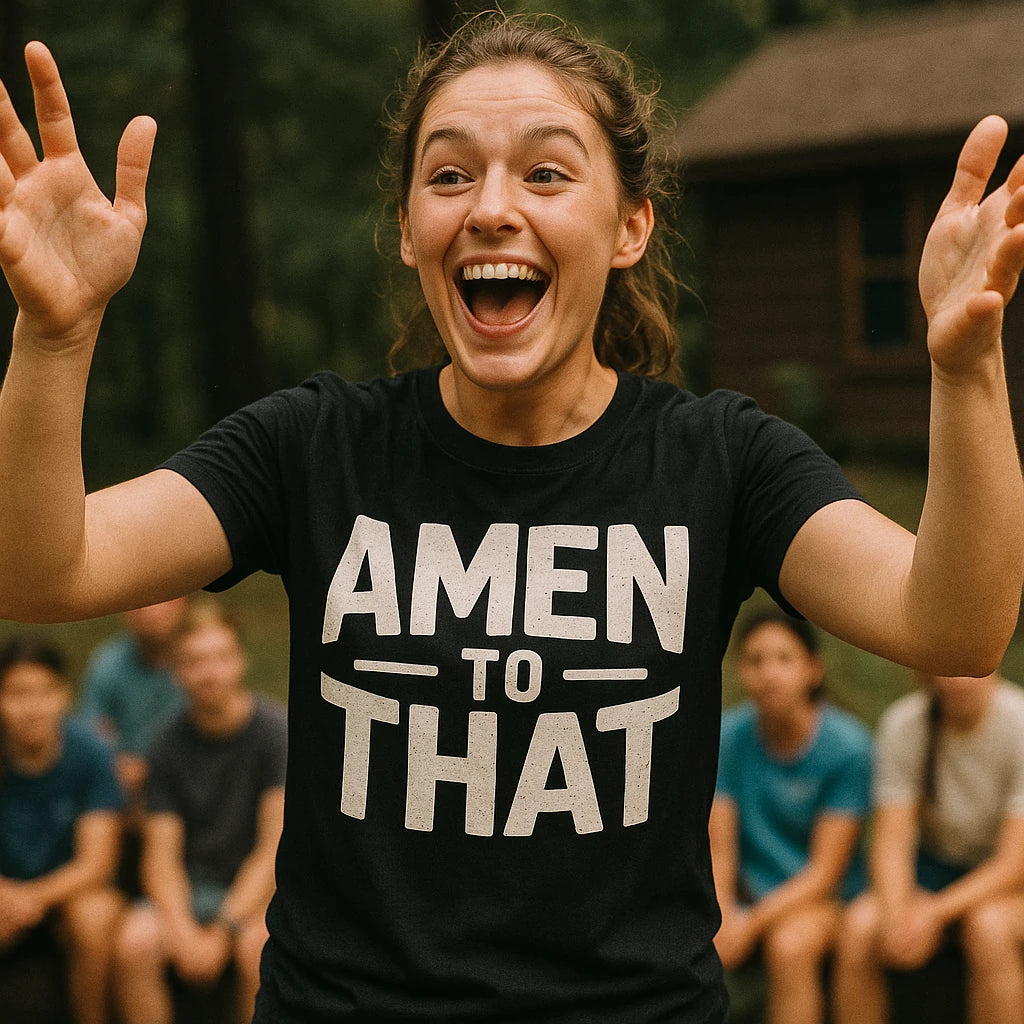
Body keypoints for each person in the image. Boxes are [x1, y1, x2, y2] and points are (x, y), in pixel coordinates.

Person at [0, 11, 1022, 1023]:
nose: (490, 206)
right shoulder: (313, 449)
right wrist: (55, 339)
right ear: (407, 229)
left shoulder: (720, 461)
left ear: (630, 225)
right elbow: (43, 572)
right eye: (448, 174)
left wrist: (967, 369)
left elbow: (955, 625)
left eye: (544, 172)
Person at [113, 599, 286, 1024]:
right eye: (195, 661)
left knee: (258, 948)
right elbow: (161, 858)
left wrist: (224, 928)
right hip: (191, 890)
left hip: (256, 896)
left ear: (241, 660)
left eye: (221, 657)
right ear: (177, 671)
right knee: (135, 942)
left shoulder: (275, 733)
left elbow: (271, 852)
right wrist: (183, 930)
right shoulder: (165, 742)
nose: (210, 673)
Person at [832, 670, 1024, 1023]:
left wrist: (934, 914)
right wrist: (896, 914)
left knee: (989, 927)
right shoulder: (905, 723)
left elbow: (1013, 863)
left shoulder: (1018, 723)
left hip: (1006, 887)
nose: (958, 681)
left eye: (971, 668)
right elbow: (891, 839)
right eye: (947, 667)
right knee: (859, 927)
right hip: (933, 873)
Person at [711, 611, 872, 1024]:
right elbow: (720, 845)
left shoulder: (848, 748)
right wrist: (725, 912)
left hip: (826, 899)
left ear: (813, 670)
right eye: (755, 660)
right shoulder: (727, 737)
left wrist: (751, 922)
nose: (769, 673)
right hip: (747, 895)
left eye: (784, 659)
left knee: (790, 944)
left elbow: (824, 873)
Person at [0, 636, 124, 1024]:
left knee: (95, 916)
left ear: (64, 695)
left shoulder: (91, 754)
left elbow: (97, 863)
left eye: (44, 692)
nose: (33, 707)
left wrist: (30, 898)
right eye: (18, 693)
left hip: (68, 894)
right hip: (5, 891)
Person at [77, 597, 189, 811]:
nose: (151, 611)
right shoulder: (108, 663)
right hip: (123, 788)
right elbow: (94, 735)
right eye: (140, 604)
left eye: (162, 600)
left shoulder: (199, 659)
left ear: (182, 604)